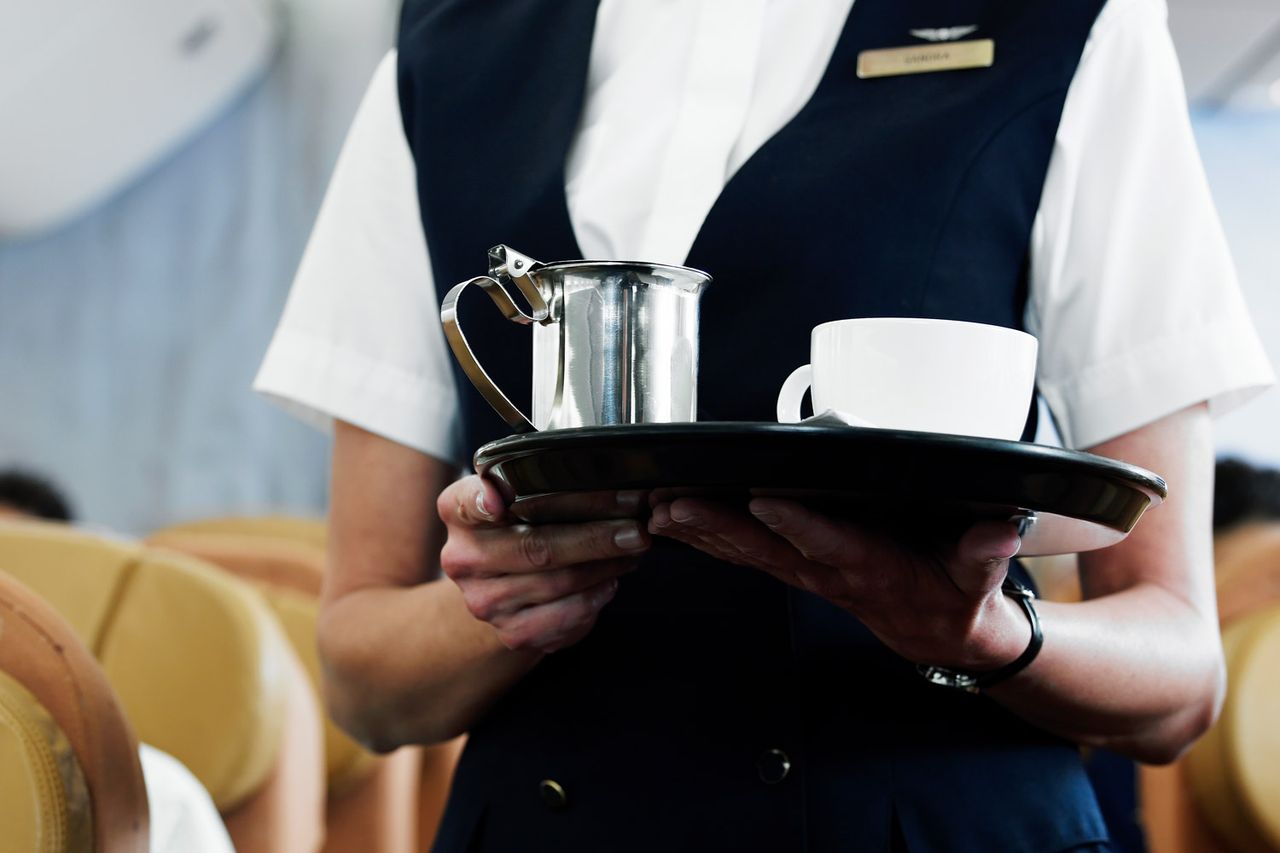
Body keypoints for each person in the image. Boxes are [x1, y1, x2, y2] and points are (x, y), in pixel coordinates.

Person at [255, 0, 1274, 850]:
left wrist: (977, 633)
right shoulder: (445, 47)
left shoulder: (1069, 21)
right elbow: (360, 679)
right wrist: (506, 605)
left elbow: (1177, 675)